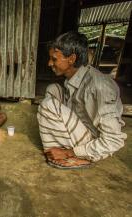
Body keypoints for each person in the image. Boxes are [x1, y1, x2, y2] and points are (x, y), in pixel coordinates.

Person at [37, 31, 127, 169]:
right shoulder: (75, 77)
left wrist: (70, 152)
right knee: (53, 88)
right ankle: (61, 146)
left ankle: (68, 155)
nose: (49, 63)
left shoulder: (100, 87)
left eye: (54, 59)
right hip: (82, 128)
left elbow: (113, 140)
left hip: (93, 141)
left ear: (71, 59)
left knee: (48, 105)